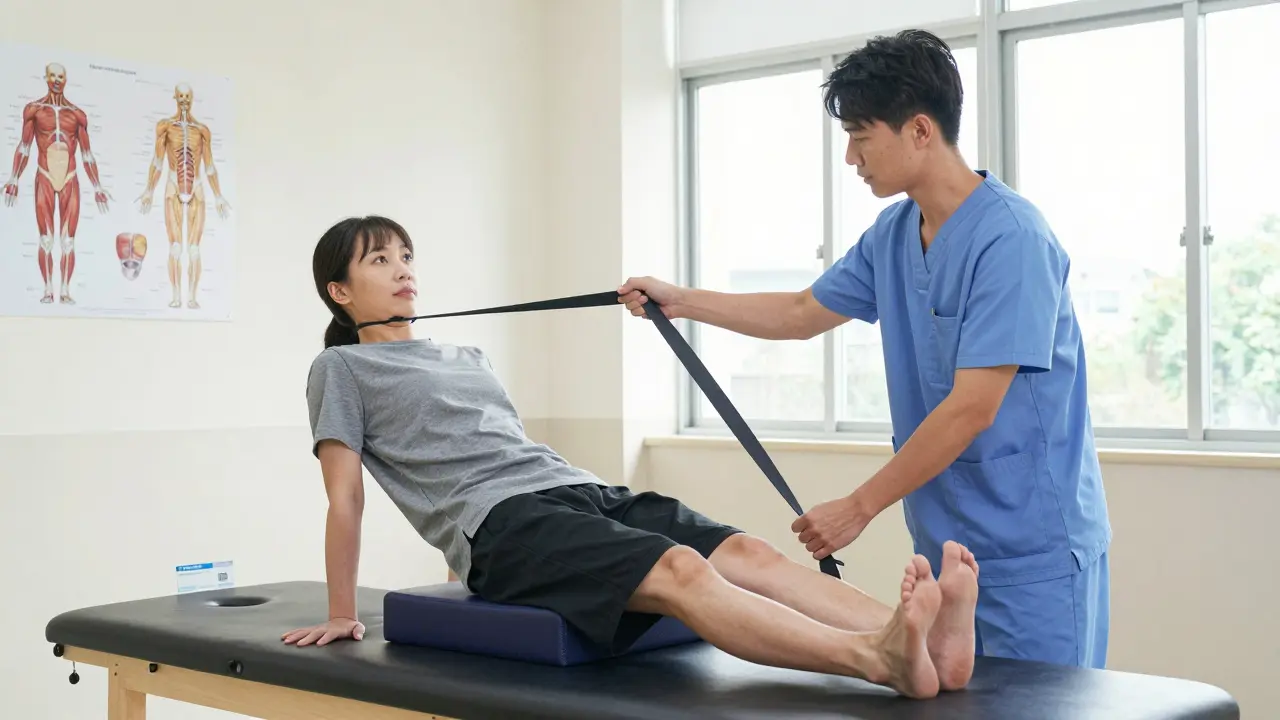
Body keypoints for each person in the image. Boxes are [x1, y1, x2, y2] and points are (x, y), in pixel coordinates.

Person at [281, 214, 983, 699]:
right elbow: (346, 496)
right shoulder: (340, 371)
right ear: (340, 293)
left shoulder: (466, 353)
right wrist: (344, 609)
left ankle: (916, 639)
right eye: (380, 260)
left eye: (406, 256)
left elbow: (490, 446)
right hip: (502, 527)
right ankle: (875, 657)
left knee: (749, 555)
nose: (403, 271)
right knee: (681, 569)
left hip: (572, 489)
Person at [618, 29, 1112, 670]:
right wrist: (679, 301)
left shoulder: (1012, 240)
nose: (851, 157)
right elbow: (801, 313)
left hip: (1035, 552)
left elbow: (971, 408)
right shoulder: (894, 234)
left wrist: (859, 506)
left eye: (861, 136)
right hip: (948, 546)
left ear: (920, 131)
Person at [2, 62, 112, 305]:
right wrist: (13, 178)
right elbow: (24, 146)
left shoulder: (77, 115)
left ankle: (65, 290)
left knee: (68, 241)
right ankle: (47, 289)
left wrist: (97, 186)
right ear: (46, 78)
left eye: (60, 76)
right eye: (52, 75)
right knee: (46, 240)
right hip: (45, 176)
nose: (56, 80)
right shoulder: (34, 110)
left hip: (70, 179)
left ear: (66, 79)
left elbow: (86, 154)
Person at [137, 82, 232, 310]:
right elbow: (158, 162)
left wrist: (218, 195)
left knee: (194, 249)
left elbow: (209, 166)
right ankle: (176, 296)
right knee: (176, 248)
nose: (184, 100)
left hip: (197, 188)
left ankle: (191, 296)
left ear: (192, 98)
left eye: (187, 96)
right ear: (175, 97)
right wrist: (149, 189)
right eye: (180, 96)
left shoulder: (201, 131)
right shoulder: (165, 127)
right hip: (173, 186)